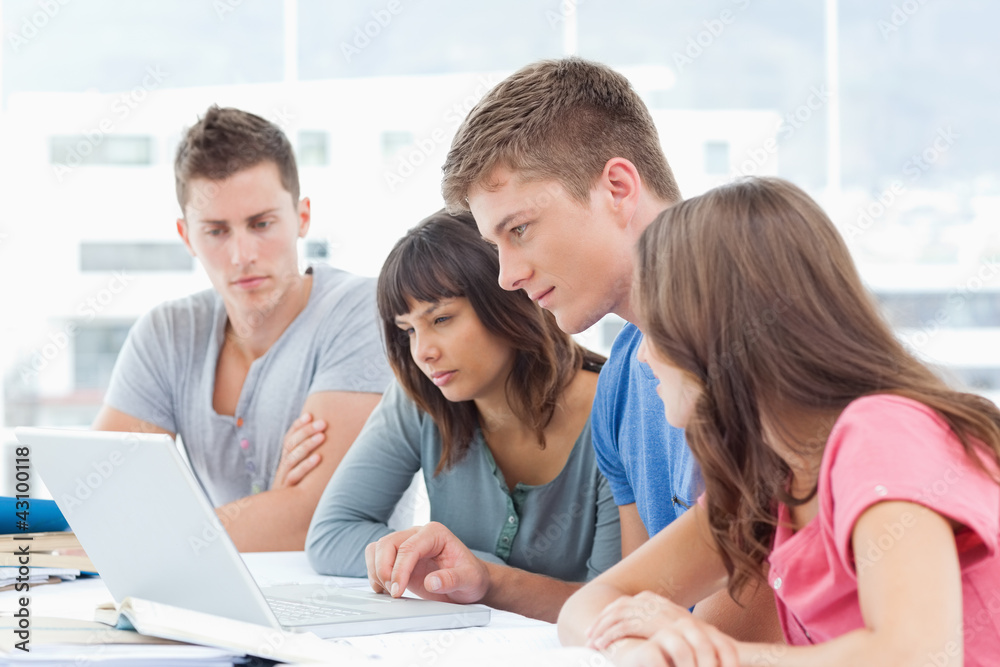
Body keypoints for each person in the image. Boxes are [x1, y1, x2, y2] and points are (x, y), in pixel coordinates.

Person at [559, 176, 1000, 665]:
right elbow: (590, 604)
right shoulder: (772, 478)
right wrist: (644, 643)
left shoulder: (880, 433)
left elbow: (915, 656)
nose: (641, 356)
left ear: (711, 330)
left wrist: (719, 655)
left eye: (656, 325)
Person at [441, 57, 781, 638]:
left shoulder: (763, 341)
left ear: (617, 189)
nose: (505, 276)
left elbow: (745, 625)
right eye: (494, 243)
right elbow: (625, 603)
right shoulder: (624, 376)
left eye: (518, 229)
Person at [93, 106, 392, 551]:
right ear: (186, 236)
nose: (241, 255)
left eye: (262, 224)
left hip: (348, 602)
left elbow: (316, 519)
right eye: (216, 231)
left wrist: (154, 533)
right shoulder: (166, 334)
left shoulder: (362, 311)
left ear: (302, 216)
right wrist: (277, 500)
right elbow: (104, 498)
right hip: (210, 599)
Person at [305, 210, 620, 622]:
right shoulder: (421, 398)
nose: (423, 352)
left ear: (509, 299)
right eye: (409, 331)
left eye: (441, 319)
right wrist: (454, 562)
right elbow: (332, 534)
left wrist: (481, 575)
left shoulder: (616, 410)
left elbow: (613, 608)